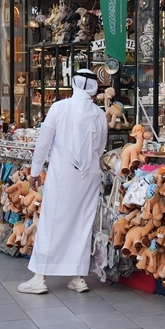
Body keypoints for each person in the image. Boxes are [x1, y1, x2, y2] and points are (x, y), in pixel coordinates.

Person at [18, 69, 107, 295]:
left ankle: (40, 278)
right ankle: (78, 277)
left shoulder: (59, 108)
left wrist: (35, 171)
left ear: (74, 83)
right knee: (81, 225)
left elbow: (43, 143)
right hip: (88, 178)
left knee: (51, 223)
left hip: (61, 176)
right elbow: (99, 149)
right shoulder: (99, 114)